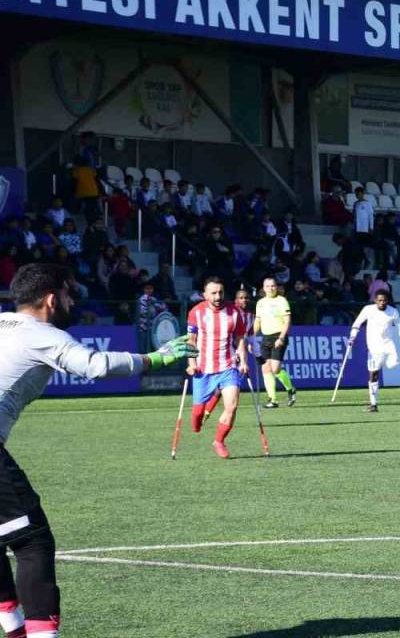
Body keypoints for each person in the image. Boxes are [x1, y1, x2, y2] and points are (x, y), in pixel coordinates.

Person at [0, 264, 196, 638]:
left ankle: (13, 627)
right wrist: (155, 359)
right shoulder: (43, 334)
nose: (73, 300)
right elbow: (94, 365)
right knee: (31, 540)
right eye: (70, 294)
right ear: (52, 300)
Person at [186, 277, 251, 459]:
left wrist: (244, 362)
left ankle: (219, 441)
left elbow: (239, 339)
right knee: (197, 415)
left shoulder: (234, 312)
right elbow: (191, 341)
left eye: (220, 292)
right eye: (213, 293)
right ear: (205, 294)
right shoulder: (196, 313)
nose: (217, 296)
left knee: (232, 405)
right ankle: (198, 421)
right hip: (203, 369)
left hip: (228, 366)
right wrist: (192, 364)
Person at [347, 290, 400, 413]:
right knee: (373, 373)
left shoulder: (393, 312)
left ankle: (389, 363)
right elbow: (357, 324)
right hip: (373, 347)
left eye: (385, 300)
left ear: (388, 300)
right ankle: (373, 404)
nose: (382, 303)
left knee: (393, 364)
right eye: (380, 300)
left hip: (388, 345)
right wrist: (352, 336)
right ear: (375, 300)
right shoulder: (368, 309)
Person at [254, 277, 296, 409]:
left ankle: (290, 389)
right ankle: (273, 399)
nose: (270, 288)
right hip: (266, 338)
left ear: (276, 287)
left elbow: (287, 320)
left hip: (278, 336)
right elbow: (258, 321)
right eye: (267, 286)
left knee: (275, 368)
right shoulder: (260, 303)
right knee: (265, 368)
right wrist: (251, 336)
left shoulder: (281, 301)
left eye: (272, 286)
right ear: (263, 288)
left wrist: (282, 338)